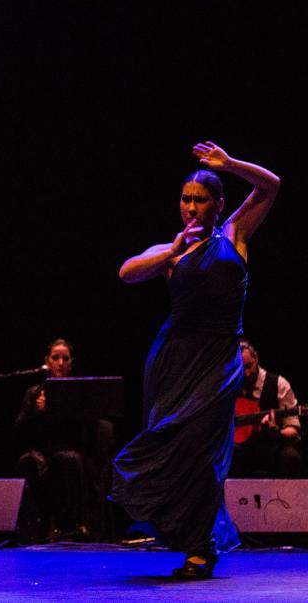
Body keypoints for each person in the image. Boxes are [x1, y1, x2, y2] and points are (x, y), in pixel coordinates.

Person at [111, 141, 280, 579]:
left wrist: (230, 164)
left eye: (200, 200)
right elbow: (127, 272)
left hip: (218, 358)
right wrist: (170, 252)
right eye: (185, 199)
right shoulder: (172, 249)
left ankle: (201, 549)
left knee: (205, 453)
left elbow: (271, 185)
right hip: (173, 359)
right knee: (172, 443)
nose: (191, 207)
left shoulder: (235, 235)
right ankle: (185, 538)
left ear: (217, 204)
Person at [15, 339, 114, 539]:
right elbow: (19, 428)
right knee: (29, 461)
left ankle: (70, 525)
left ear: (71, 362)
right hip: (42, 450)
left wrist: (67, 410)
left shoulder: (79, 390)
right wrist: (36, 411)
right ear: (47, 361)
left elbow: (94, 427)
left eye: (65, 358)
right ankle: (38, 524)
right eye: (55, 358)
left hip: (74, 449)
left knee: (67, 459)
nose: (60, 362)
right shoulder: (35, 392)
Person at [230, 339, 302, 478]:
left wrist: (275, 432)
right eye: (240, 368)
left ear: (255, 357)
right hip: (243, 447)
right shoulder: (231, 386)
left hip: (272, 445)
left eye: (249, 366)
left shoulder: (279, 384)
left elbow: (293, 428)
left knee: (290, 457)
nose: (246, 373)